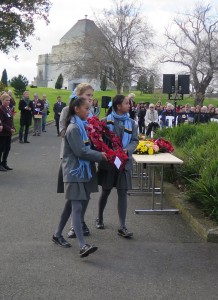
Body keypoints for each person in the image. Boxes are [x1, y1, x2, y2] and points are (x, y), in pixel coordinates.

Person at [52, 97, 107, 258]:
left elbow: (85, 147)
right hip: (74, 172)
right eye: (86, 108)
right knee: (76, 207)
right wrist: (100, 155)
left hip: (78, 172)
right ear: (77, 109)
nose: (88, 111)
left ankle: (57, 234)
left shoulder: (81, 126)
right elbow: (80, 151)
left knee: (70, 206)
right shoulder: (74, 128)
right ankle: (82, 245)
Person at [95, 94, 138, 238]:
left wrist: (127, 150)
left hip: (124, 163)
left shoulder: (132, 123)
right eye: (127, 103)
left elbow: (134, 141)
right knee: (106, 191)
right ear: (118, 106)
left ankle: (122, 226)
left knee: (122, 193)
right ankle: (99, 218)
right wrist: (109, 151)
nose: (129, 106)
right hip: (109, 163)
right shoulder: (104, 122)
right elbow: (99, 142)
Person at [0, 93, 15, 171]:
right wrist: (9, 129)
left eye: (9, 100)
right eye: (6, 100)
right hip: (3, 133)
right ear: (2, 100)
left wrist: (13, 127)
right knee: (1, 148)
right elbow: (2, 122)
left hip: (8, 133)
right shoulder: (1, 109)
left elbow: (10, 120)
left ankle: (4, 163)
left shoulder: (8, 108)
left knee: (7, 148)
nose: (8, 101)